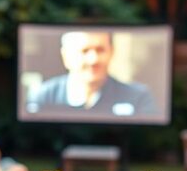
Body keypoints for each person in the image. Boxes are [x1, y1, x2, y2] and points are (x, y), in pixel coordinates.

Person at [27, 31, 157, 117]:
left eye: (100, 50)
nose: (94, 59)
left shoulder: (138, 97)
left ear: (111, 53)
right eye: (84, 51)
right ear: (66, 56)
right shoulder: (43, 96)